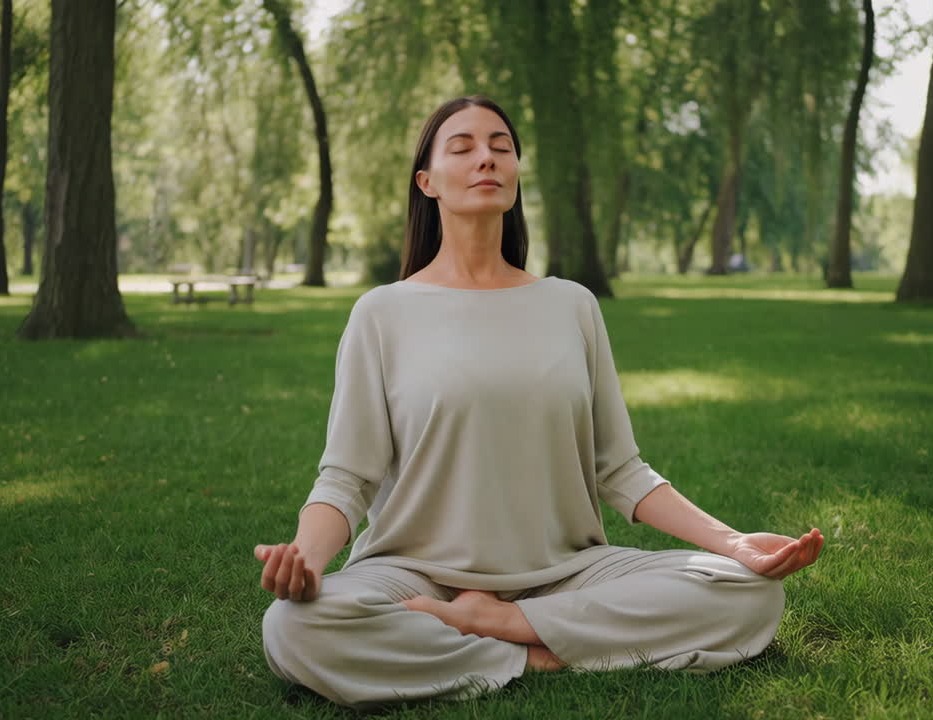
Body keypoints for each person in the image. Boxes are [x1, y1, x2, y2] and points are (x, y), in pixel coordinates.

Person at [254, 96, 823, 709]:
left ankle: (511, 633)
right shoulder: (381, 313)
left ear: (516, 173)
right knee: (293, 627)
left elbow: (621, 469)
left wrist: (733, 544)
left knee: (749, 593)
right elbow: (346, 478)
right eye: (463, 147)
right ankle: (546, 650)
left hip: (566, 574)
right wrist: (305, 561)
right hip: (417, 577)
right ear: (428, 182)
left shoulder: (571, 305)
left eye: (501, 147)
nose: (486, 159)